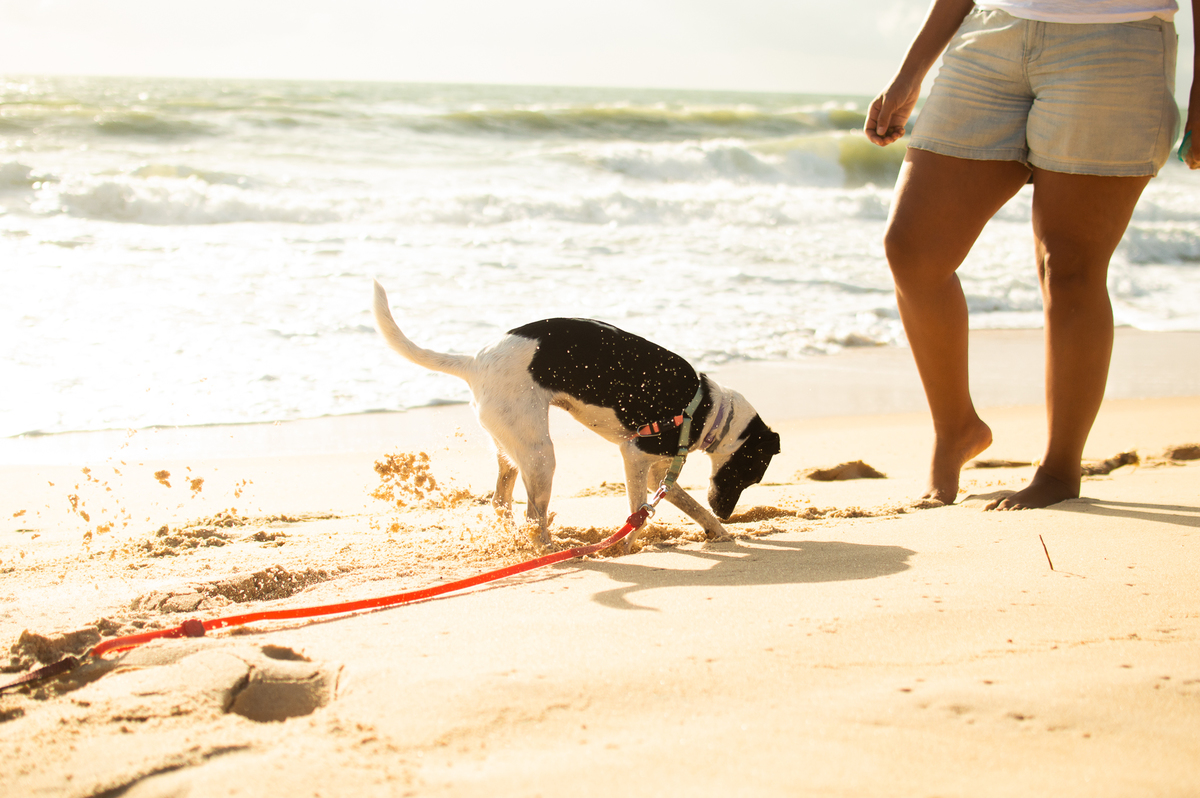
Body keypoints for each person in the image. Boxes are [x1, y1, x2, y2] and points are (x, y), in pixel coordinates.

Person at [866, 0, 1198, 510]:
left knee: (1069, 267)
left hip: (1117, 43)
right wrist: (910, 74)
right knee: (912, 249)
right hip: (992, 33)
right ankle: (956, 428)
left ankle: (1060, 469)